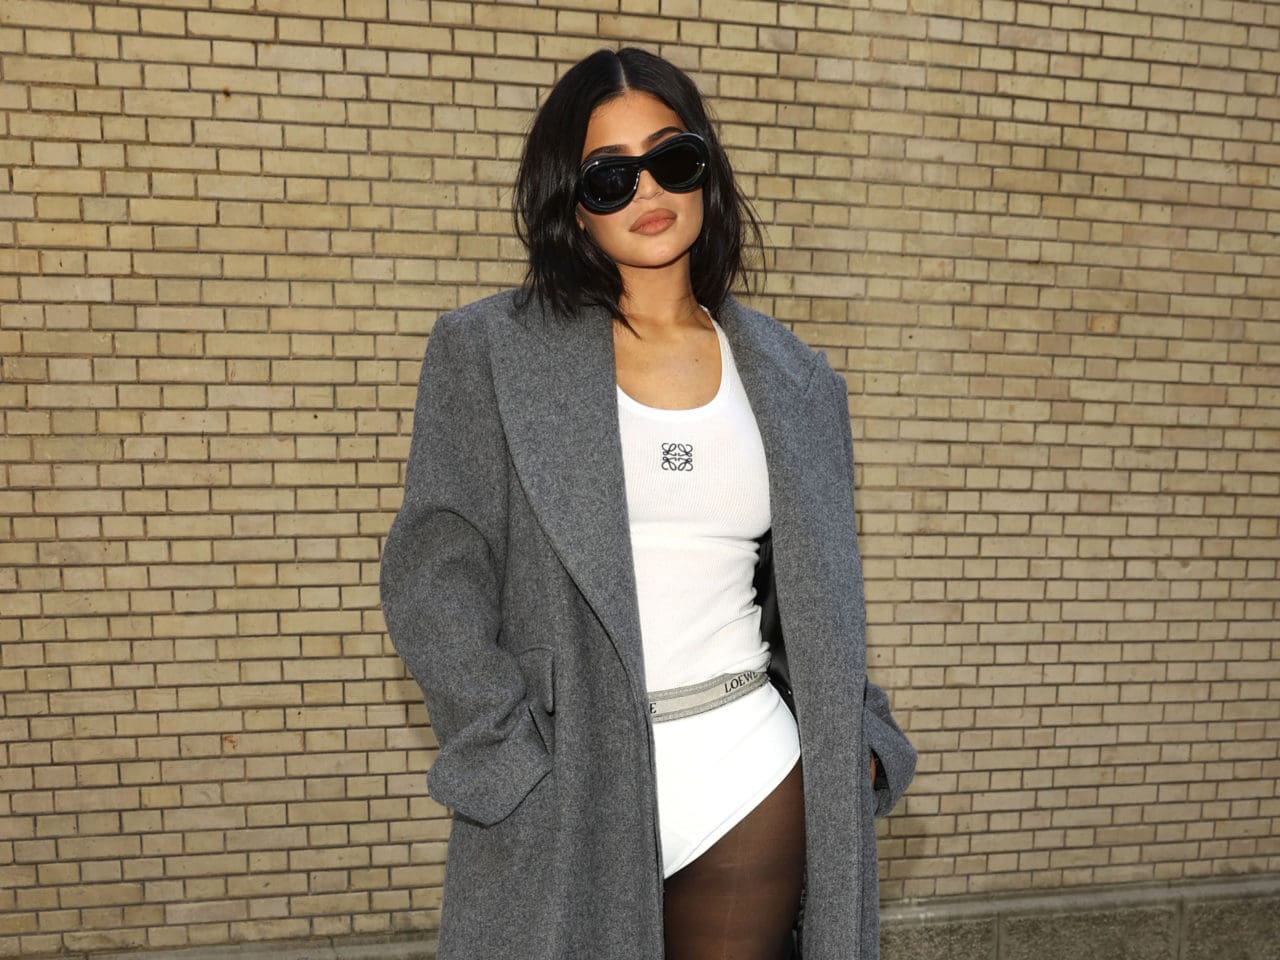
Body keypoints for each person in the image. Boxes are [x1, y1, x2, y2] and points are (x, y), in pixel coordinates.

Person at [380, 47, 916, 960]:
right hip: (570, 783)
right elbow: (434, 574)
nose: (649, 191)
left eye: (672, 159)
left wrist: (854, 731)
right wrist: (505, 749)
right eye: (610, 176)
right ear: (571, 201)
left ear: (706, 170)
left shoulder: (795, 379)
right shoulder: (489, 353)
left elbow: (815, 598)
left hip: (747, 766)